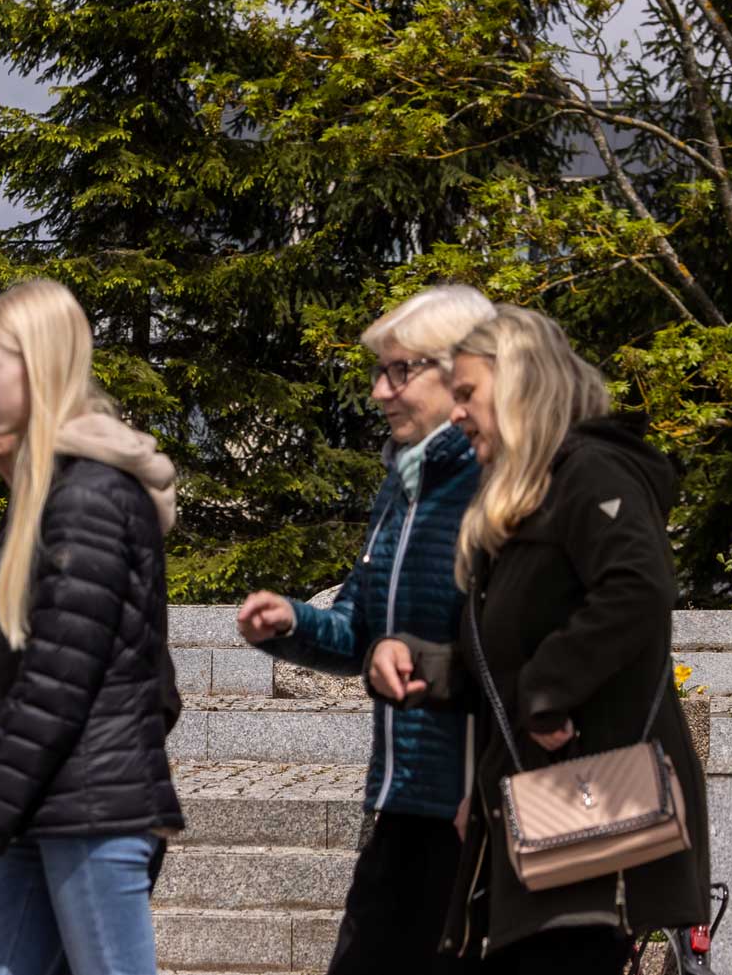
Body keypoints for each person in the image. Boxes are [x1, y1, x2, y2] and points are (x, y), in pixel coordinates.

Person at [367, 306, 710, 973]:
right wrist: (423, 666)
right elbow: (493, 668)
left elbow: (639, 586)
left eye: (467, 393)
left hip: (591, 822)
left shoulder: (592, 473)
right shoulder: (523, 504)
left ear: (519, 381)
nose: (456, 412)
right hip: (534, 827)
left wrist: (547, 691)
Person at [235, 284, 495, 974]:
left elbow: (512, 646)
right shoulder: (401, 485)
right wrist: (290, 622)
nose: (380, 390)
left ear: (459, 372)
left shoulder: (491, 484)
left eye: (399, 370)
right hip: (400, 798)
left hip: (474, 810)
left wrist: (411, 657)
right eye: (378, 371)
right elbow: (359, 630)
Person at [0, 279, 184, 975]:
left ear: (41, 369)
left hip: (90, 815)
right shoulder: (51, 497)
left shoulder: (85, 501)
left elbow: (55, 686)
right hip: (46, 809)